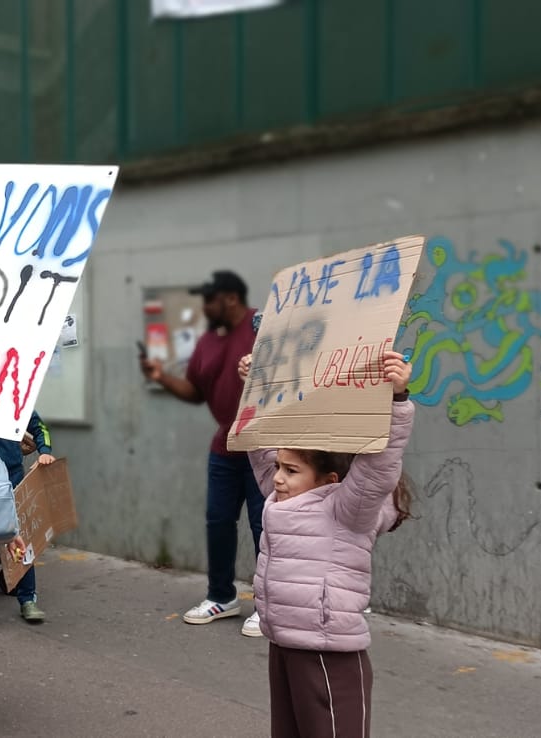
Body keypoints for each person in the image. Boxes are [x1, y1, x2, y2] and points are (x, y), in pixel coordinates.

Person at [239, 351, 414, 738]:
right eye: (279, 467)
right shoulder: (280, 498)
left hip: (328, 652)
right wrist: (255, 386)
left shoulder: (347, 510)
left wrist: (397, 399)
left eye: (291, 470)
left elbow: (379, 467)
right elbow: (261, 448)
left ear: (329, 479)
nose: (278, 477)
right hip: (284, 644)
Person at [140, 269, 266, 636]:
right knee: (218, 522)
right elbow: (196, 391)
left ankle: (269, 606)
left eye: (209, 301)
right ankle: (222, 597)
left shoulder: (262, 326)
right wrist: (161, 376)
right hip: (224, 449)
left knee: (266, 528)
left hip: (262, 448)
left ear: (230, 299)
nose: (204, 308)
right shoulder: (209, 340)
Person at [0, 411, 56, 629]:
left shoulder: (18, 400)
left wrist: (45, 451)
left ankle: (27, 599)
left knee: (22, 541)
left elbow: (40, 428)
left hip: (13, 478)